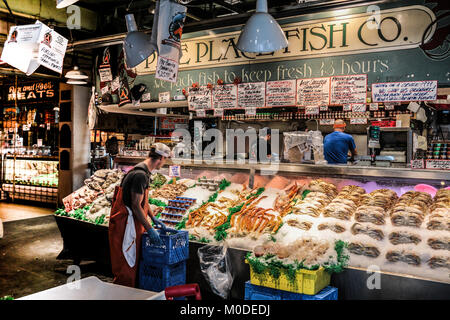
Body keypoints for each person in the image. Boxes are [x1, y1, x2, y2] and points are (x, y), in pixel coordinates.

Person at [109, 142, 171, 287]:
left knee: (132, 264)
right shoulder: (140, 175)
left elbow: (143, 202)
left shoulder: (143, 172)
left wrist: (153, 217)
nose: (164, 163)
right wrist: (150, 229)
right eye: (165, 160)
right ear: (161, 158)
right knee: (126, 266)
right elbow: (136, 206)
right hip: (125, 225)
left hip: (131, 223)